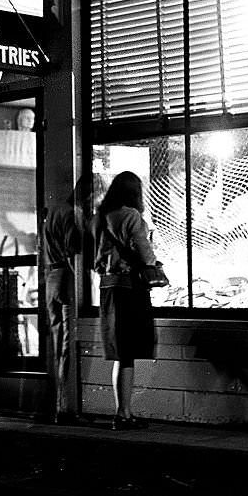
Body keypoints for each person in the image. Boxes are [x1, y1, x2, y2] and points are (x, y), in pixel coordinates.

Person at [93, 170, 163, 430]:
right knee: (131, 352)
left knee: (122, 353)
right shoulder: (131, 216)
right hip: (129, 288)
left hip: (108, 289)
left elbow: (96, 260)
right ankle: (124, 414)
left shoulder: (100, 218)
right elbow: (144, 252)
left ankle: (122, 411)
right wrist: (153, 265)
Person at [42, 174, 103, 425]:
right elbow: (73, 254)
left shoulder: (55, 210)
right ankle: (67, 408)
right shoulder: (74, 214)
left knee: (58, 344)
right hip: (68, 279)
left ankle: (58, 403)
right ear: (91, 194)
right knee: (69, 343)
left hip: (51, 278)